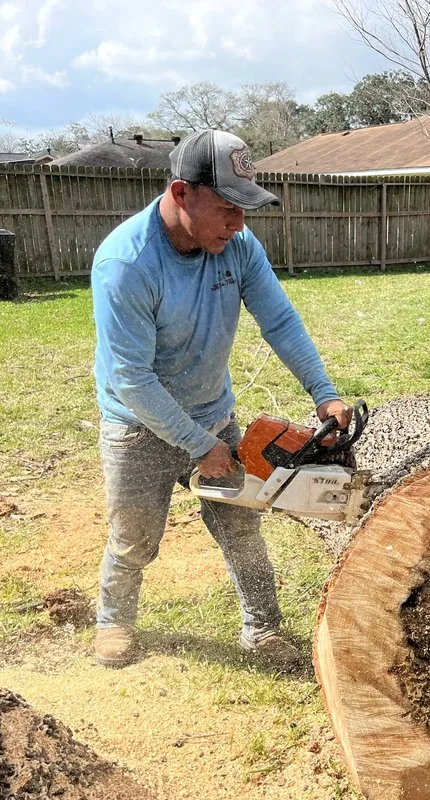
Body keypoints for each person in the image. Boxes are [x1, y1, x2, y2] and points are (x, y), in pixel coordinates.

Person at [91, 128, 352, 669]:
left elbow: (278, 320)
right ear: (181, 193)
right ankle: (113, 622)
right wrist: (195, 444)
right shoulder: (127, 264)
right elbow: (131, 379)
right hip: (138, 424)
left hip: (212, 412)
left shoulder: (237, 246)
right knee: (134, 534)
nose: (240, 224)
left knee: (241, 528)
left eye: (246, 210)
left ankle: (263, 629)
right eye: (228, 209)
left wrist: (323, 393)